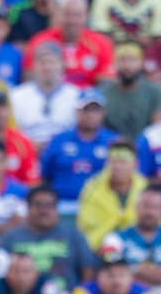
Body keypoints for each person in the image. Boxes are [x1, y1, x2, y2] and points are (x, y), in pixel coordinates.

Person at [0, 184, 96, 292]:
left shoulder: (73, 234)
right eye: (38, 205)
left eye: (49, 206)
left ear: (57, 209)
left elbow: (88, 269)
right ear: (28, 208)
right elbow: (0, 273)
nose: (43, 211)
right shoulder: (11, 237)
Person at [40, 90, 118, 220]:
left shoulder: (113, 142)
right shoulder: (59, 141)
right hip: (62, 204)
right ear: (77, 112)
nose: (91, 115)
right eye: (86, 110)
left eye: (95, 110)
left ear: (103, 113)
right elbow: (45, 175)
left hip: (101, 207)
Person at [24, 0, 115, 89]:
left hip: (88, 100)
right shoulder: (41, 41)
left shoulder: (101, 43)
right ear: (58, 14)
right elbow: (29, 77)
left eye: (77, 15)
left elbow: (107, 83)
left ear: (87, 16)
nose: (72, 21)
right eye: (67, 14)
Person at [77, 139, 146, 250]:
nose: (117, 167)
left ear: (135, 164)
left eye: (123, 162)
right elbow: (86, 225)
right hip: (99, 249)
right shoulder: (92, 189)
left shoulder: (145, 190)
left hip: (139, 249)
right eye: (113, 161)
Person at [101, 42, 161, 143]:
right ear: (115, 63)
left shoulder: (155, 92)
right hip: (113, 147)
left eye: (133, 60)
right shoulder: (104, 93)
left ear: (142, 63)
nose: (127, 66)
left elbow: (158, 128)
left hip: (146, 146)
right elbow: (99, 128)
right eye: (122, 60)